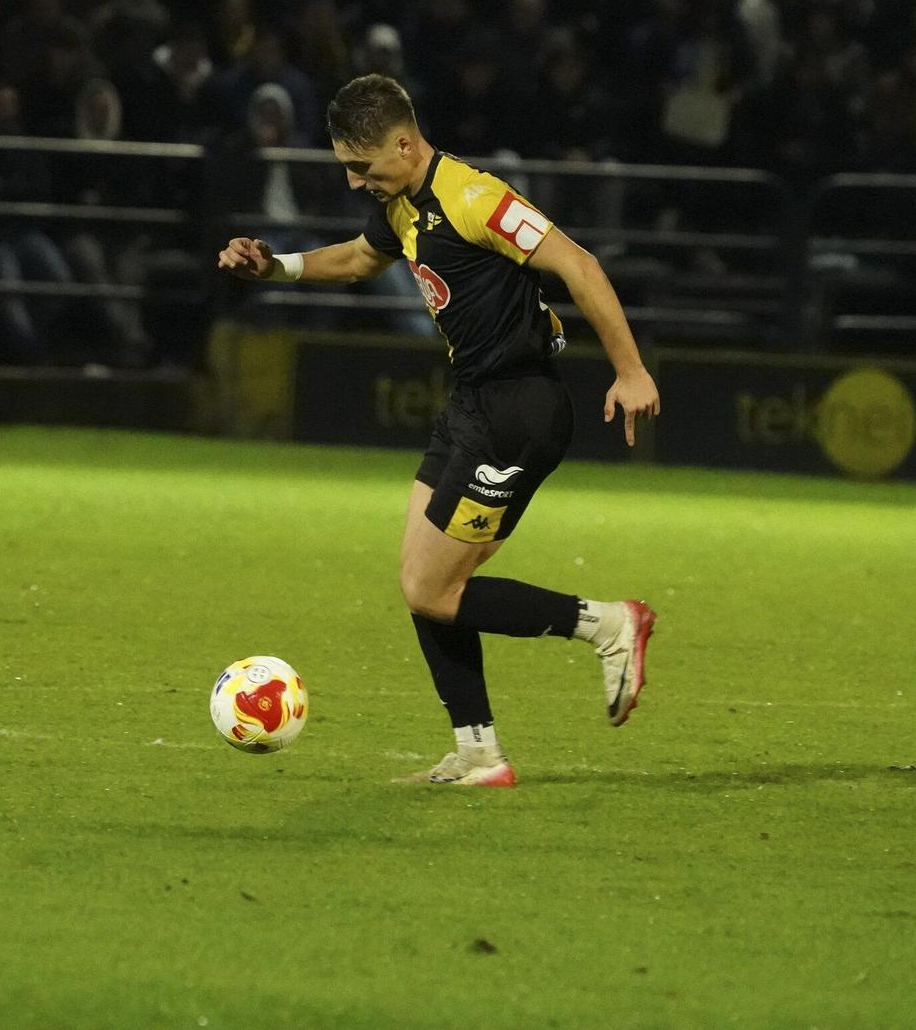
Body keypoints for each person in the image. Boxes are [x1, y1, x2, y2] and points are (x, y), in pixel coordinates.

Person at [216, 73, 661, 787]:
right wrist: (277, 266)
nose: (356, 181)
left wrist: (630, 369)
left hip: (520, 410)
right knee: (420, 576)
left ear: (403, 141)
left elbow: (579, 263)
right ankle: (478, 751)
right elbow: (361, 259)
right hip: (471, 405)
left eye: (362, 166)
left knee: (432, 587)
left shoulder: (474, 197)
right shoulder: (400, 204)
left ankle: (608, 624)